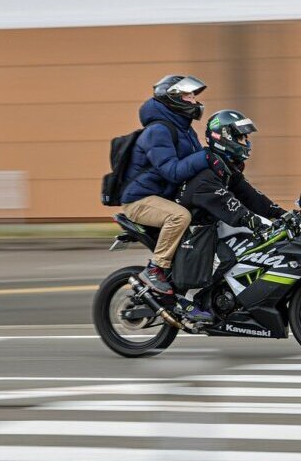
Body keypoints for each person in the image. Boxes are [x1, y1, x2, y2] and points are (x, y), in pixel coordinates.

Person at [173, 109, 288, 322]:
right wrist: (252, 220)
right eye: (241, 136)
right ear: (224, 137)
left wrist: (281, 214)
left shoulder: (225, 169)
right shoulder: (206, 174)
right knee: (230, 255)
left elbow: (252, 197)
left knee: (253, 242)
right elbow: (228, 203)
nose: (246, 142)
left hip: (209, 228)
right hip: (194, 232)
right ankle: (186, 300)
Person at [120, 74, 218, 300]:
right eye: (188, 95)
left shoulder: (184, 130)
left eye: (194, 95)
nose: (194, 100)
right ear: (172, 98)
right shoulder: (158, 131)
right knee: (179, 217)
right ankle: (155, 269)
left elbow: (196, 168)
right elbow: (172, 171)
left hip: (162, 197)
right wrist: (206, 156)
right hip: (140, 201)